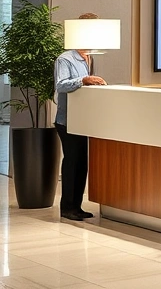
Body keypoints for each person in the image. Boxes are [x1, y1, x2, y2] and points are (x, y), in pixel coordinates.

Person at [53, 12, 107, 221]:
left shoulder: (89, 57)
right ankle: (67, 207)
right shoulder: (65, 58)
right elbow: (61, 85)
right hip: (67, 120)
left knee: (82, 163)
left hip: (83, 120)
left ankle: (77, 206)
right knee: (72, 162)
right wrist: (83, 79)